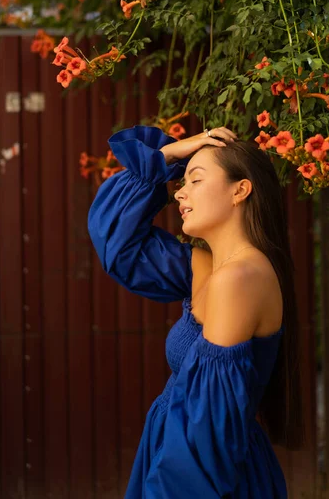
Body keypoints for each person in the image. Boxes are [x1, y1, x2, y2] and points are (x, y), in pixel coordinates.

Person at [88, 124, 304, 498]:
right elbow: (117, 243)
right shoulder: (210, 266)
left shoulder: (238, 279)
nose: (179, 194)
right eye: (182, 181)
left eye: (195, 180)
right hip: (175, 457)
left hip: (195, 477)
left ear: (240, 189)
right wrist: (169, 156)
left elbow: (205, 435)